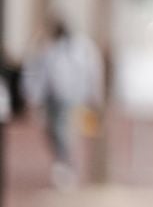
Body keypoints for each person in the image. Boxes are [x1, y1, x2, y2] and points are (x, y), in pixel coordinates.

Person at [22, 18, 102, 188]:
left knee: (64, 130)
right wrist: (34, 97)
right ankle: (62, 162)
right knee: (52, 131)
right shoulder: (48, 48)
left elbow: (92, 70)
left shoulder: (80, 47)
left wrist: (94, 95)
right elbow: (40, 74)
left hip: (72, 97)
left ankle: (66, 165)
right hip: (52, 97)